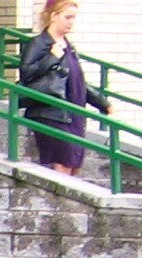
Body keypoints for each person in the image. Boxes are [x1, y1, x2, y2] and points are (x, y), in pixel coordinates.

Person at [18, 0, 110, 176]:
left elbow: (77, 81)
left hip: (72, 113)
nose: (71, 22)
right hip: (52, 113)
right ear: (53, 16)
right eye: (67, 17)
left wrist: (102, 103)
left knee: (74, 165)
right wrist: (52, 56)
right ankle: (60, 203)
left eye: (74, 18)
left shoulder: (68, 45)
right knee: (62, 163)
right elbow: (26, 72)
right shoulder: (39, 43)